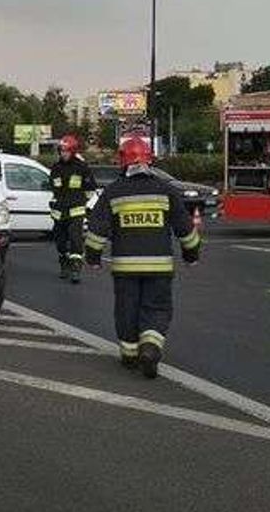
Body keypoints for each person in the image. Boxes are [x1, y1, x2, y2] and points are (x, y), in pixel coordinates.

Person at [84, 136, 202, 379]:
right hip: (159, 267)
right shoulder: (166, 190)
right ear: (149, 160)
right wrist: (191, 255)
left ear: (123, 161)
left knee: (126, 309)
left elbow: (97, 229)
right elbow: (186, 229)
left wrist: (93, 258)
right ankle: (150, 347)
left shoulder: (113, 191)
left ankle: (129, 355)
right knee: (157, 308)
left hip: (125, 268)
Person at [49, 134, 98, 284]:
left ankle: (76, 268)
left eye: (66, 151)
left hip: (76, 210)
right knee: (61, 242)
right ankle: (64, 263)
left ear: (73, 151)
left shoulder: (82, 168)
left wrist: (82, 202)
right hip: (59, 211)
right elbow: (53, 187)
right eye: (61, 151)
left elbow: (90, 188)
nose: (63, 153)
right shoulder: (56, 168)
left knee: (76, 239)